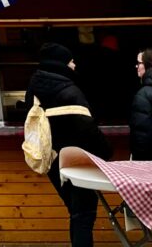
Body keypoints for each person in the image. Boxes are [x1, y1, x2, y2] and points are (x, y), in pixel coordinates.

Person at [25, 42, 111, 247]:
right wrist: (106, 151)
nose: (74, 65)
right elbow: (87, 129)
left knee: (76, 213)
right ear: (61, 63)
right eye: (71, 61)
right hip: (77, 161)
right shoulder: (68, 91)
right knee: (84, 214)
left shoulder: (34, 88)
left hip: (53, 159)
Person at [130, 48, 152, 160]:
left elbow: (142, 135)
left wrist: (138, 160)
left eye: (139, 63)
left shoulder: (143, 95)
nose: (137, 66)